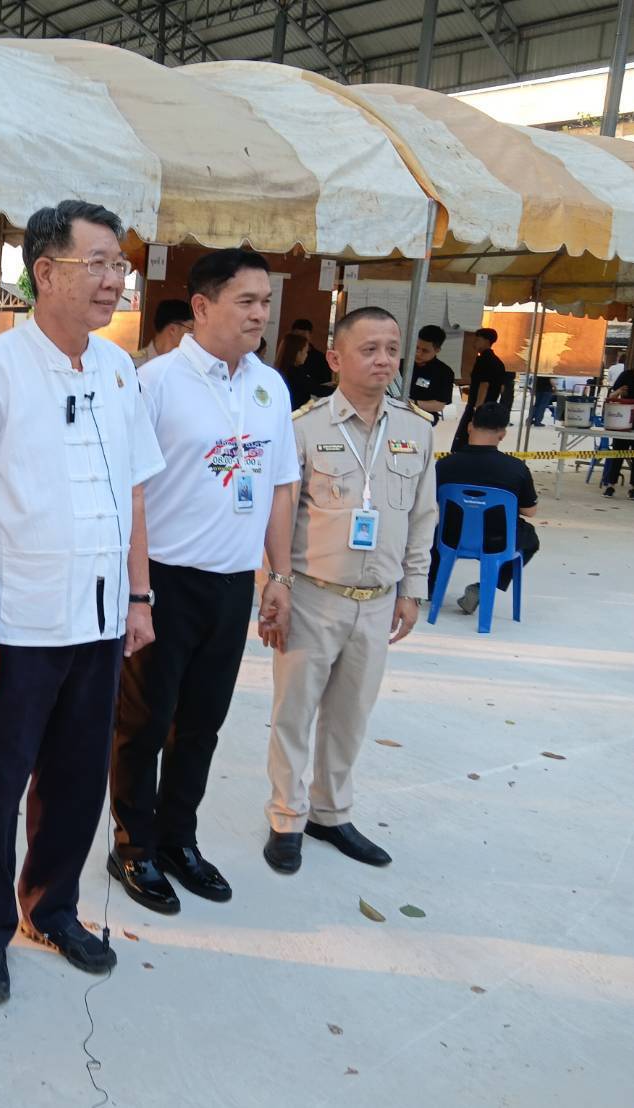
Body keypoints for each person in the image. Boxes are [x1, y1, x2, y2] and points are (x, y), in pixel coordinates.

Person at [0, 200, 164, 1004]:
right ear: (45, 272)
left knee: (74, 780)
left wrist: (138, 596)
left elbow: (134, 491)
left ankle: (51, 907)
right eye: (97, 262)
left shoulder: (117, 370)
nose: (113, 279)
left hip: (97, 622)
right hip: (18, 623)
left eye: (118, 264)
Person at [110, 249, 299, 915]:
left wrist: (277, 574)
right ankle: (132, 845)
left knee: (201, 725)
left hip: (231, 583)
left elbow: (281, 485)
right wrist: (136, 591)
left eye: (265, 302)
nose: (259, 314)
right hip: (164, 580)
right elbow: (129, 492)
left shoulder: (269, 387)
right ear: (201, 306)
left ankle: (176, 839)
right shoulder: (155, 383)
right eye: (245, 301)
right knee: (143, 723)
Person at [261, 306, 437, 875]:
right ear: (335, 359)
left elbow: (422, 517)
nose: (384, 360)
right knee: (294, 713)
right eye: (369, 349)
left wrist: (413, 588)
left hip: (378, 600)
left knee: (350, 716)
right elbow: (276, 517)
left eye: (392, 349)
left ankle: (330, 814)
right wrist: (274, 588)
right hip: (313, 596)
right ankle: (287, 817)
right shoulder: (303, 428)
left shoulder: (416, 430)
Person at [430, 402, 540, 615]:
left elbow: (431, 500)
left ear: (470, 427)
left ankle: (430, 587)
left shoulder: (444, 465)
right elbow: (530, 511)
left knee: (431, 532)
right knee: (530, 538)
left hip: (451, 537)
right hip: (498, 541)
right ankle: (486, 586)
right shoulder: (516, 468)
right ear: (502, 434)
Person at [453, 327, 510, 448]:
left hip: (478, 406)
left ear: (486, 341)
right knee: (484, 438)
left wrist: (477, 408)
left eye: (478, 340)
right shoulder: (499, 362)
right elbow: (501, 388)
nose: (474, 343)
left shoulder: (484, 360)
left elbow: (484, 385)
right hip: (491, 406)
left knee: (465, 437)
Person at [600, 362, 634, 498]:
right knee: (618, 454)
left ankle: (633, 488)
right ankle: (611, 485)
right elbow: (612, 396)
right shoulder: (626, 375)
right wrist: (620, 391)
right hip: (623, 419)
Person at [409, 324, 455, 423]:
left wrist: (412, 403)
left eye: (425, 351)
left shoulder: (444, 372)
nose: (418, 353)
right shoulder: (403, 364)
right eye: (417, 348)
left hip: (423, 417)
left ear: (437, 350)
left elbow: (439, 405)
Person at [131, 298, 192, 368]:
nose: (194, 335)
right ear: (173, 330)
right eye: (191, 329)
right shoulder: (133, 364)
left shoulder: (187, 366)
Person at [290, 318, 335, 398]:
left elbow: (323, 385)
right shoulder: (288, 360)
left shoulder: (320, 358)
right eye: (297, 336)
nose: (300, 339)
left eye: (303, 335)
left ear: (310, 335)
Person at [273, 330, 313, 409]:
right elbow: (315, 389)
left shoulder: (280, 370)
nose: (306, 355)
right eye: (305, 352)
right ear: (297, 353)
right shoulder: (295, 373)